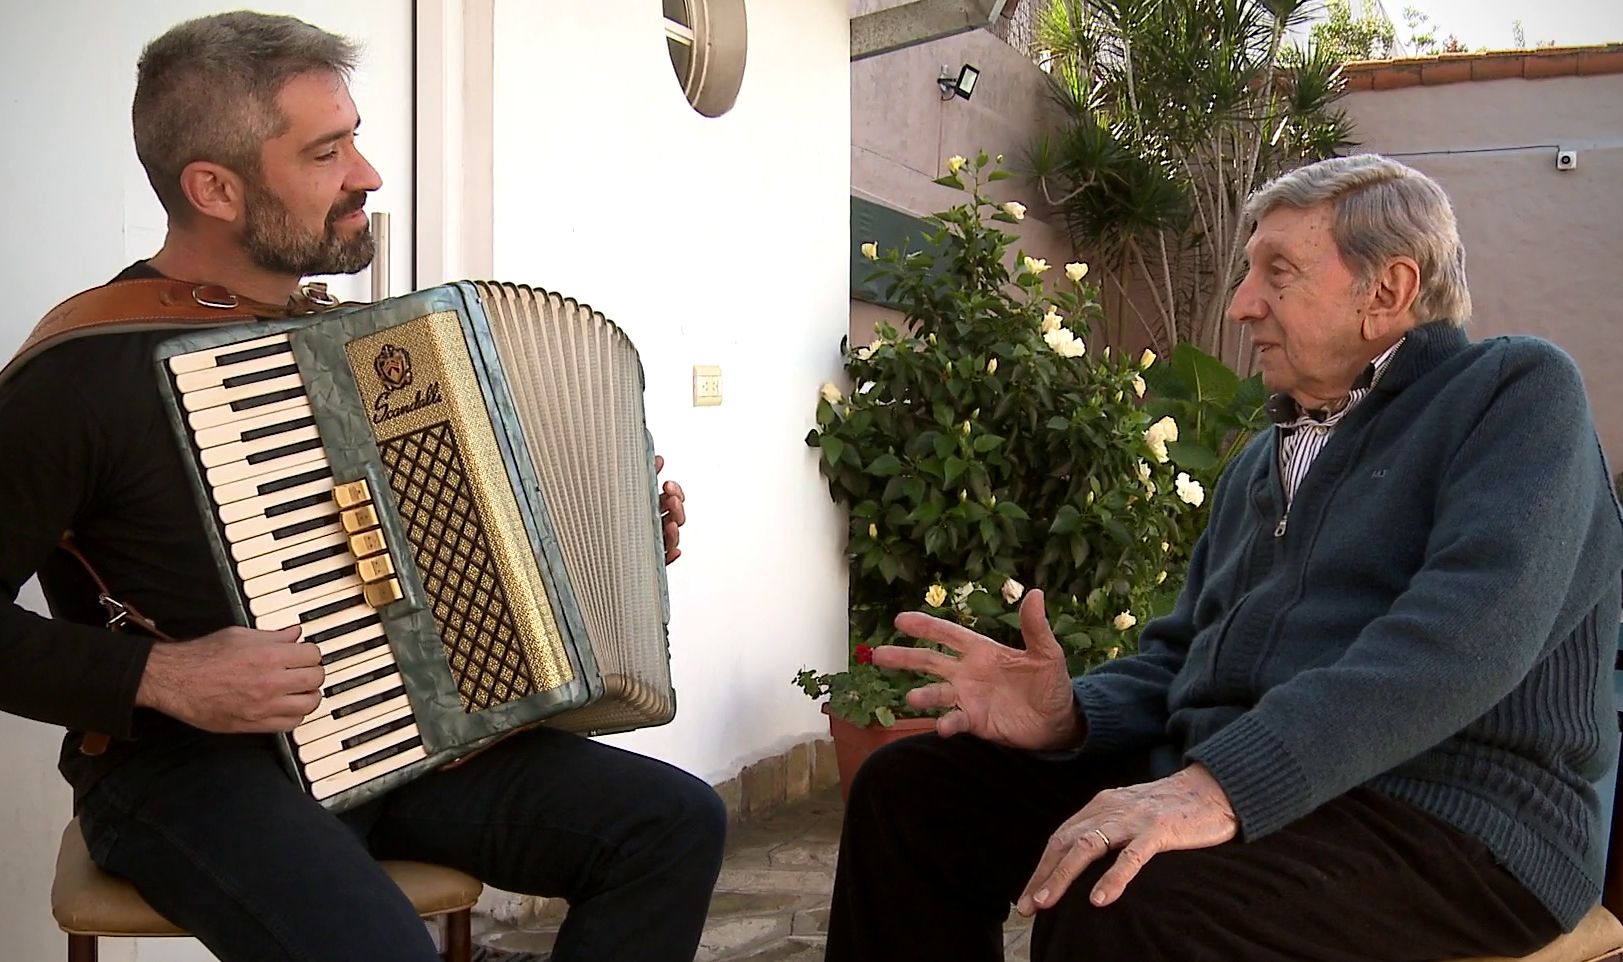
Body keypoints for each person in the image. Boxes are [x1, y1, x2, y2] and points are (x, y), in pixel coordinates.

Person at [0, 12, 723, 962]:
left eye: (356, 139)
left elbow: (435, 539)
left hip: (399, 742)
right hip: (188, 771)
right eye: (327, 151)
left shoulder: (359, 349)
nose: (367, 175)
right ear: (213, 188)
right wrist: (163, 677)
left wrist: (611, 534)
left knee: (671, 822)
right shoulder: (79, 375)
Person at [826, 153, 1623, 961]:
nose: (1243, 307)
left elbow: (1462, 640)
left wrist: (1225, 784)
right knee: (914, 795)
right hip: (1241, 776)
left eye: (1276, 273)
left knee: (1122, 901)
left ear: (1386, 291)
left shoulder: (1511, 393)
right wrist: (1073, 714)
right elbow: (1184, 656)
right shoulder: (1262, 459)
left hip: (1453, 815)